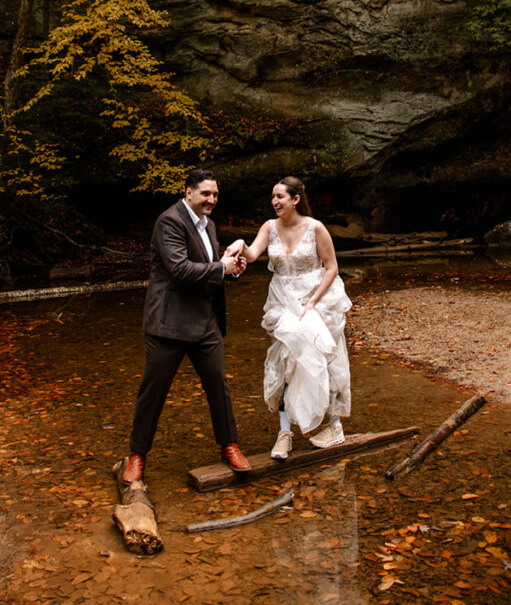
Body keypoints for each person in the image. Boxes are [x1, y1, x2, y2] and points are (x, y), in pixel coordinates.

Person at [122, 169, 251, 484]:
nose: (211, 200)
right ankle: (137, 456)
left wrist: (230, 271)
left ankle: (229, 445)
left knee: (218, 387)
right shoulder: (169, 221)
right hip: (168, 325)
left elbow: (207, 268)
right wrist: (221, 267)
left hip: (205, 322)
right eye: (205, 193)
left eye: (215, 195)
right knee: (153, 392)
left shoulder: (209, 225)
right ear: (189, 192)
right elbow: (179, 269)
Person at [225, 176, 352, 459]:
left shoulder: (316, 227)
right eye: (273, 197)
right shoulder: (269, 227)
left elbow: (331, 267)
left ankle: (334, 425)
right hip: (283, 300)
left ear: (295, 199)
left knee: (325, 358)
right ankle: (285, 433)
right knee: (286, 360)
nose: (274, 202)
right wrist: (239, 244)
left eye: (280, 196)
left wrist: (313, 303)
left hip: (318, 298)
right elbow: (253, 253)